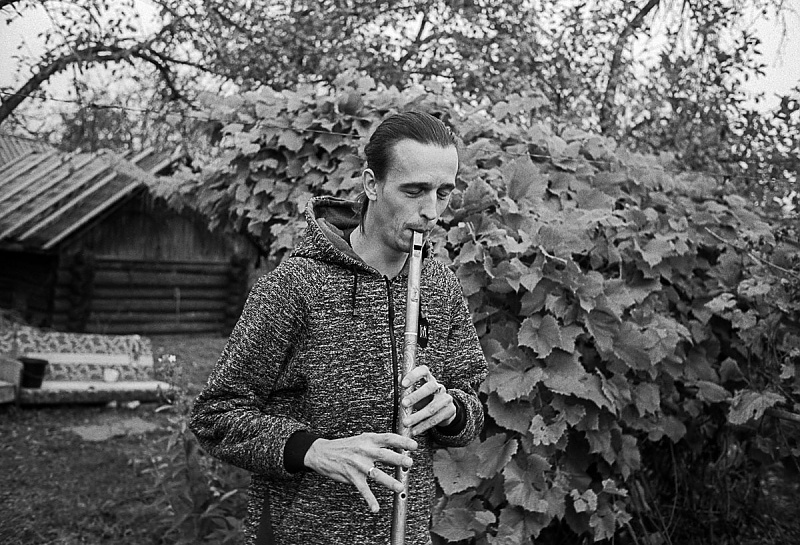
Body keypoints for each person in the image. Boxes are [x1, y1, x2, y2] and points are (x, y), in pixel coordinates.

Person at [189, 110, 487, 545]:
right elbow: (215, 416)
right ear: (371, 185)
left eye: (443, 193)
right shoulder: (294, 287)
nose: (430, 212)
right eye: (414, 191)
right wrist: (313, 450)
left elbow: (471, 406)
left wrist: (453, 410)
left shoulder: (440, 287)